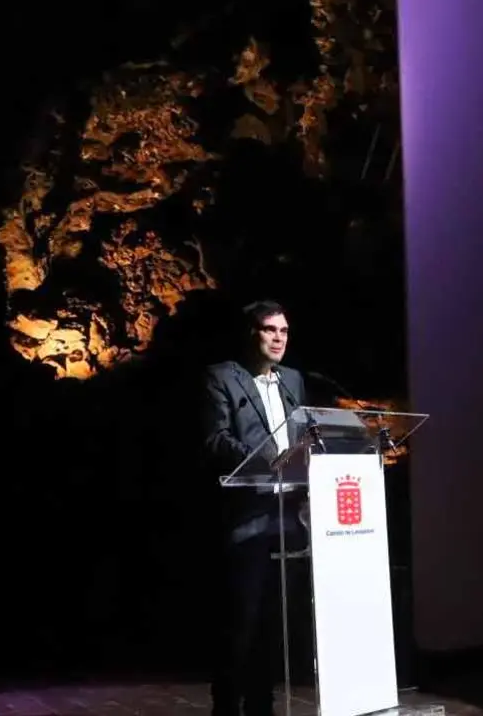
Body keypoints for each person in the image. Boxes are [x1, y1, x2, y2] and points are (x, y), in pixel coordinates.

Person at [203, 300, 308, 716]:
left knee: (275, 621)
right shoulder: (222, 377)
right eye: (269, 330)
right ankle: (227, 704)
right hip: (246, 515)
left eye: (284, 330)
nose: (279, 338)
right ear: (252, 333)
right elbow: (216, 439)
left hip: (287, 516)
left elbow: (299, 433)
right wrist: (265, 459)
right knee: (242, 621)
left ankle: (263, 704)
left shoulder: (294, 381)